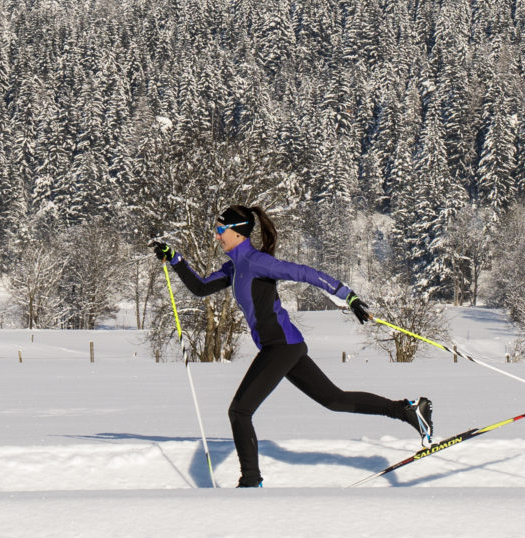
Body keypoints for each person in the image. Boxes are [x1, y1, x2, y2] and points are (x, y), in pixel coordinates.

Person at [155, 204, 433, 487]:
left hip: (281, 347)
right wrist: (174, 258)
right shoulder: (235, 267)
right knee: (334, 400)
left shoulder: (256, 262)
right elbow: (201, 287)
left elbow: (305, 273)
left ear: (237, 233)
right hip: (284, 347)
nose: (216, 237)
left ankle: (250, 482)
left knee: (239, 411)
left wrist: (348, 297)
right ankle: (408, 410)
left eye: (220, 230)